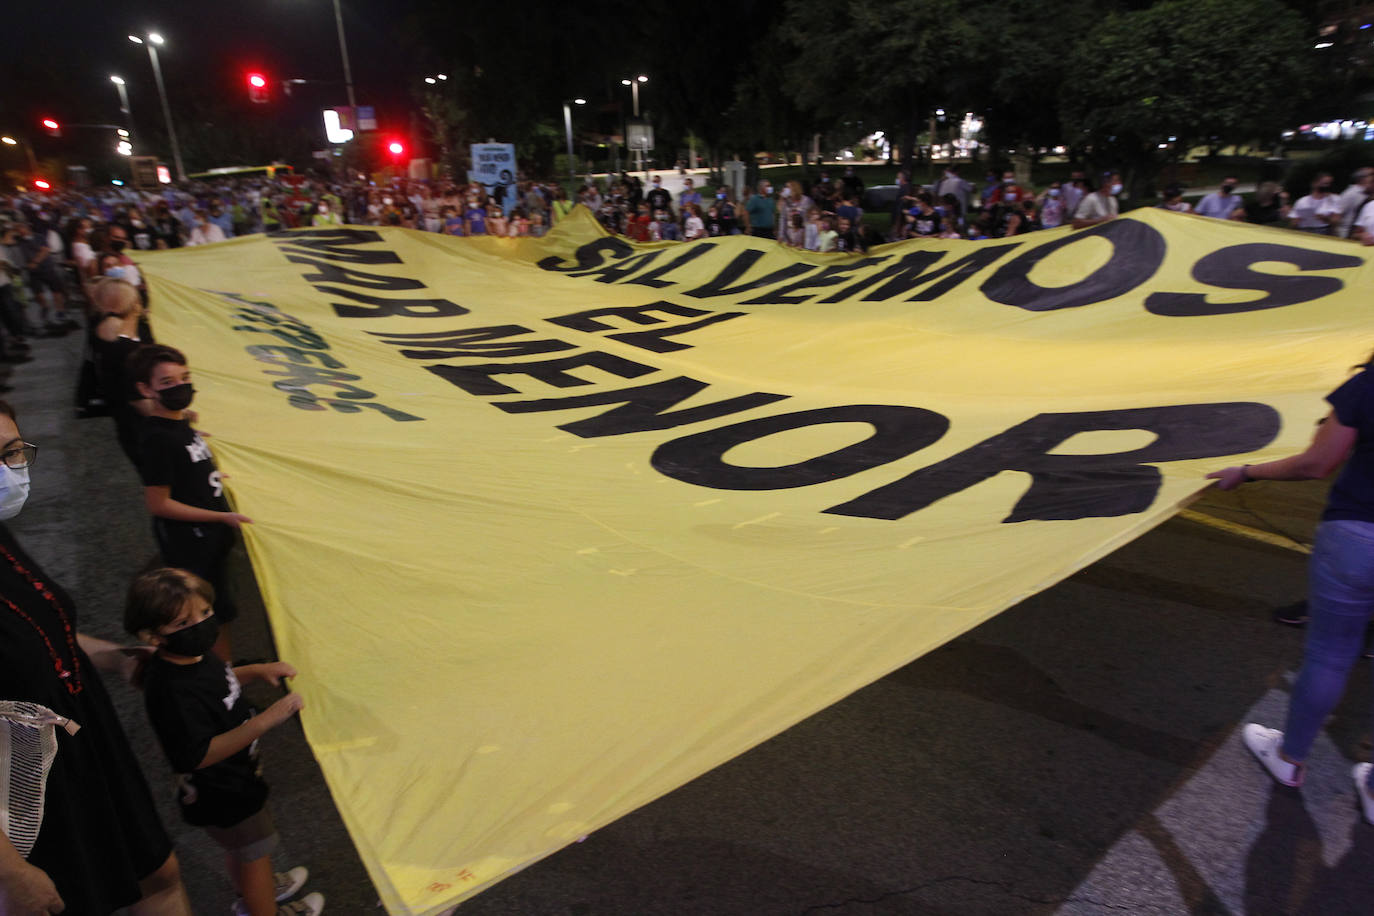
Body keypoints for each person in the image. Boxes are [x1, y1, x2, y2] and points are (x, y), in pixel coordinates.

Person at [0, 401, 193, 914]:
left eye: (13, 452)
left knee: (157, 873)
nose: (7, 472)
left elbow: (38, 627)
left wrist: (113, 657)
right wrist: (10, 869)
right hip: (25, 789)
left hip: (79, 741)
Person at [1208, 350, 1374, 824]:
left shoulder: (1367, 386)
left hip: (1358, 535)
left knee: (1330, 652)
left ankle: (1290, 758)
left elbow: (1318, 463)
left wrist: (1248, 472)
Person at [126, 568, 322, 916]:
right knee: (255, 853)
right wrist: (265, 720)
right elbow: (196, 755)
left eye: (204, 613)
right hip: (225, 791)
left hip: (232, 780)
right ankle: (263, 906)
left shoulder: (192, 658)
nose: (201, 625)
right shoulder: (172, 690)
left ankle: (253, 894)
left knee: (245, 852)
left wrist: (257, 671)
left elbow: (219, 680)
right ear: (154, 636)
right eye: (183, 623)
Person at [129, 344, 251, 661]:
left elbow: (186, 468)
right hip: (193, 543)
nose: (181, 386)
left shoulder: (179, 424)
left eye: (185, 377)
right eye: (167, 382)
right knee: (205, 616)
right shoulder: (158, 438)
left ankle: (226, 672)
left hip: (208, 537)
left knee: (219, 609)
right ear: (145, 389)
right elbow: (159, 504)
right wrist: (221, 518)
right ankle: (221, 679)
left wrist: (209, 476)